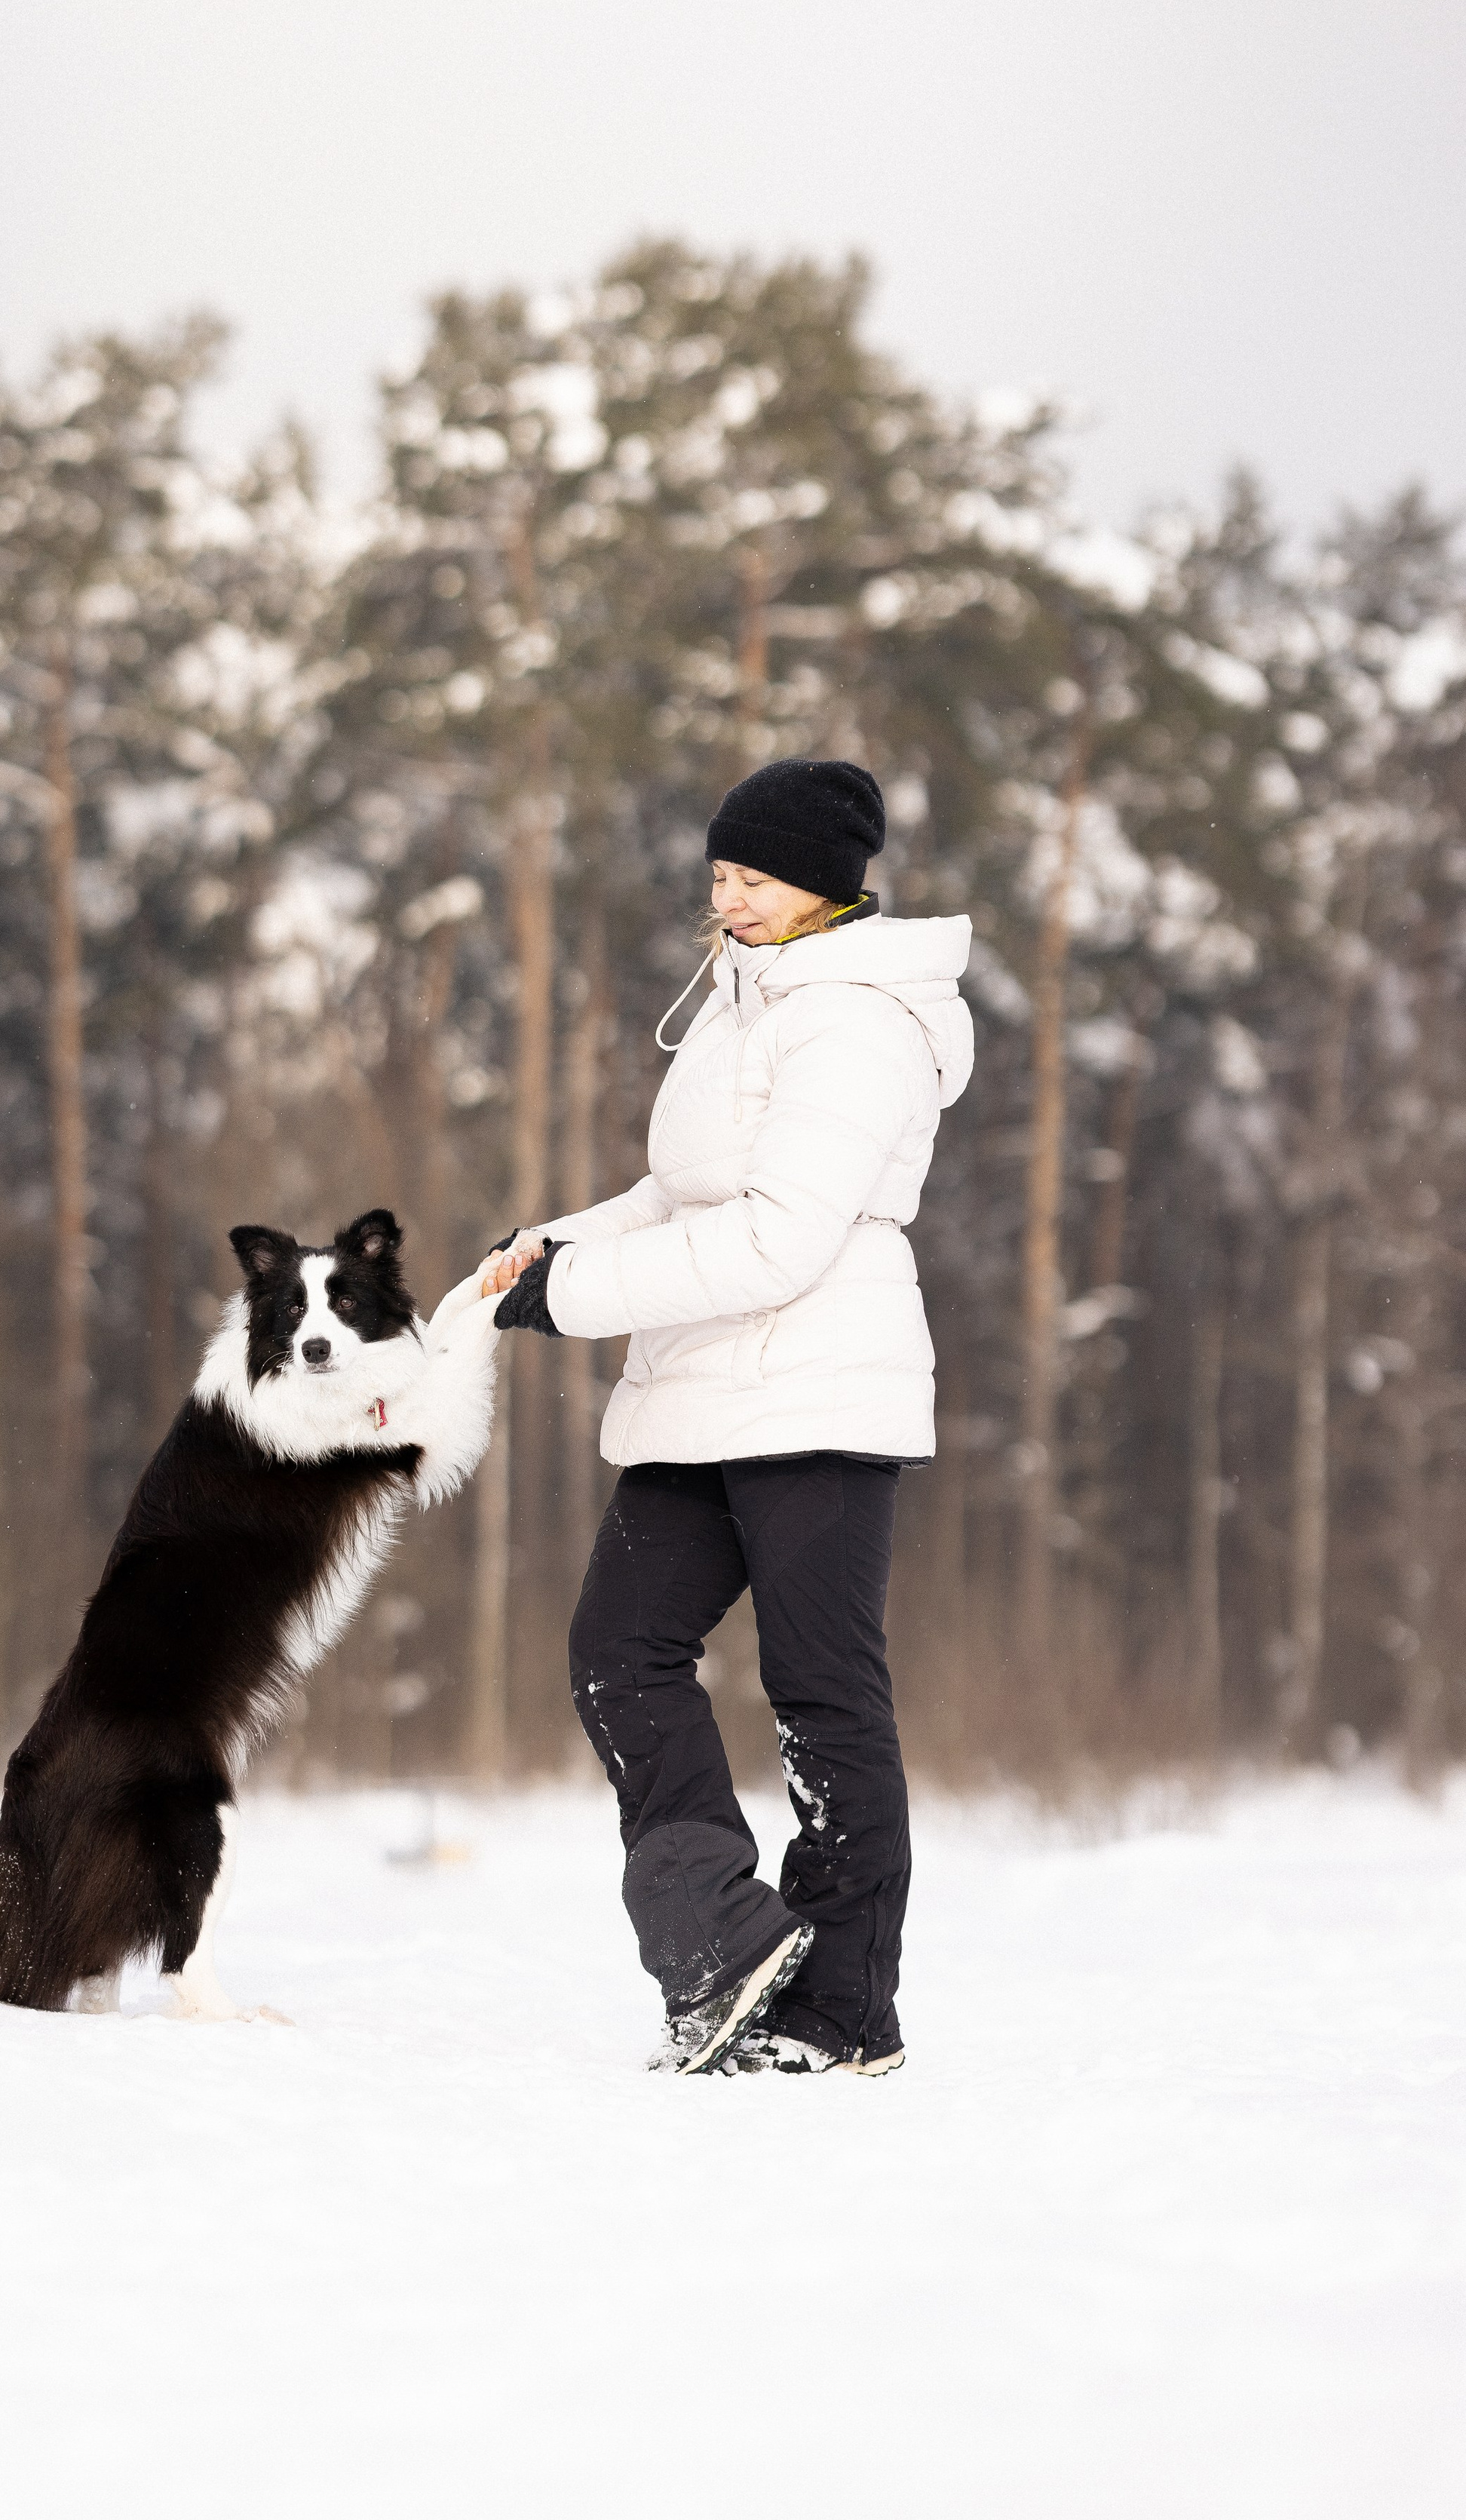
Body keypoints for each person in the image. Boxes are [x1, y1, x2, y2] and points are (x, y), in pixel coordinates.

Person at [481, 757, 972, 2075]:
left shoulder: (858, 1019)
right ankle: (722, 1942)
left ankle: (843, 2014)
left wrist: (575, 1296)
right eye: (720, 874)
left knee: (821, 1694)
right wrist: (549, 1248)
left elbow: (777, 1237)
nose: (730, 898)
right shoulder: (740, 1000)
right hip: (699, 1385)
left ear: (827, 883)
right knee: (617, 1652)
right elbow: (679, 1196)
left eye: (755, 876)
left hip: (820, 1386)